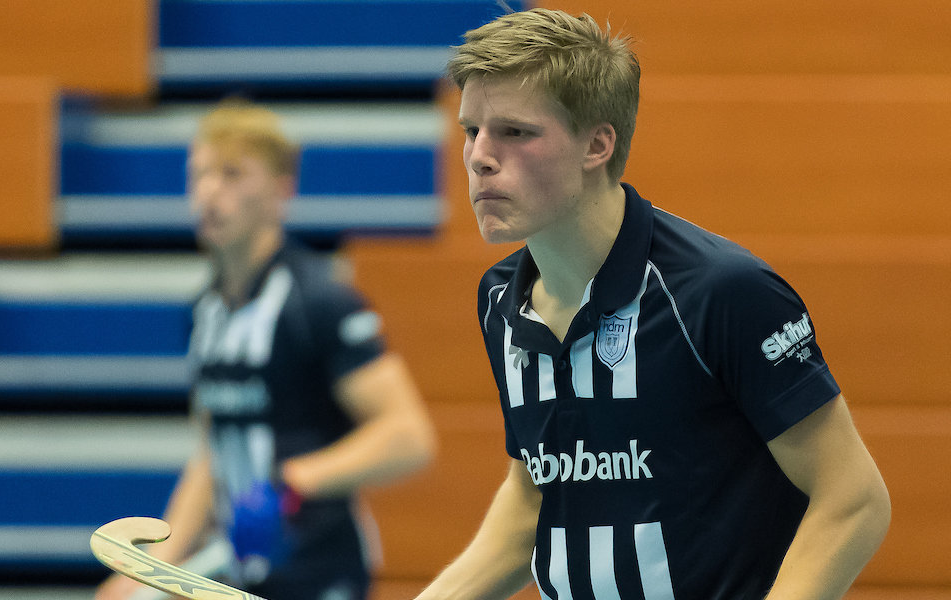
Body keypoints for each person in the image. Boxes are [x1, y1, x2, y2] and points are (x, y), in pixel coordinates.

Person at [415, 8, 890, 600]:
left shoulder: (721, 291)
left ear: (597, 144)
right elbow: (537, 494)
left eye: (514, 132)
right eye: (471, 130)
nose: (479, 156)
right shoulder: (500, 300)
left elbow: (852, 500)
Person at [96, 99, 436, 600]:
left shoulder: (318, 302)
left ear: (281, 189)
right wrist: (153, 566)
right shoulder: (203, 313)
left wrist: (299, 478)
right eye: (200, 174)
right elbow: (213, 451)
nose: (209, 192)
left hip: (321, 572)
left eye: (232, 174)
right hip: (241, 575)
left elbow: (408, 437)